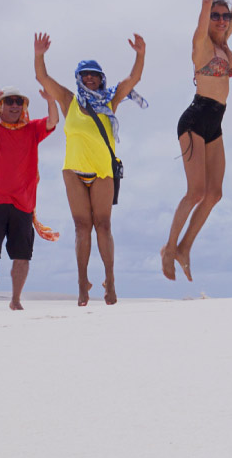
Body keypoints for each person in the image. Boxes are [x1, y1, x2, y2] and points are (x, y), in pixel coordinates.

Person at [33, 32, 147, 306]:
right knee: (82, 227)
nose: (89, 78)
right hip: (73, 171)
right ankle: (83, 283)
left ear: (101, 78)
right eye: (85, 75)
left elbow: (133, 80)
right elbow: (43, 79)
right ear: (78, 77)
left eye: (94, 75)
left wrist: (140, 54)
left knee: (103, 226)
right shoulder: (69, 100)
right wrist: (39, 55)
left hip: (103, 172)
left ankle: (110, 281)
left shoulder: (109, 100)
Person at [163, 0, 232, 282]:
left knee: (215, 194)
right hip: (195, 119)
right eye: (216, 16)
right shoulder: (202, 43)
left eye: (224, 16)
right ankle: (168, 249)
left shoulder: (225, 43)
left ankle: (185, 248)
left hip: (217, 122)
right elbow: (204, 4)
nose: (222, 20)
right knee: (195, 191)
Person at [0, 86, 60, 311]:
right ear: (0, 107)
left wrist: (51, 100)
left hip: (23, 202)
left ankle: (16, 300)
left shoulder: (32, 129)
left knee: (22, 256)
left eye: (19, 102)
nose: (14, 106)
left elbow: (53, 121)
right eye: (9, 101)